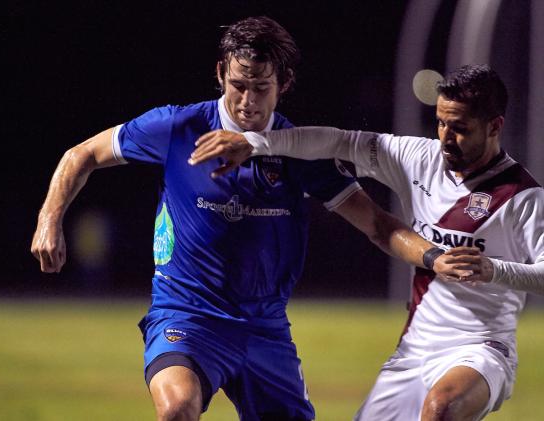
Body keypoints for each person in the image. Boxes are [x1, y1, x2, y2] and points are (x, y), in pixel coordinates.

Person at [31, 16, 470, 421]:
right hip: (188, 315)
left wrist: (434, 257)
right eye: (238, 84)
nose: (247, 101)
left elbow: (377, 224)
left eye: (261, 87)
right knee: (176, 407)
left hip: (264, 325)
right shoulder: (178, 128)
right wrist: (49, 220)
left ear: (285, 83)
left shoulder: (299, 152)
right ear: (221, 71)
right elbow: (82, 154)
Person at [189, 64, 544, 420]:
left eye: (460, 128)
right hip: (416, 348)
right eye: (441, 123)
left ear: (495, 126)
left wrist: (492, 269)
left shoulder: (523, 197)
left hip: (482, 348)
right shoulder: (419, 159)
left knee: (441, 409)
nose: (446, 138)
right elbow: (338, 141)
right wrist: (255, 143)